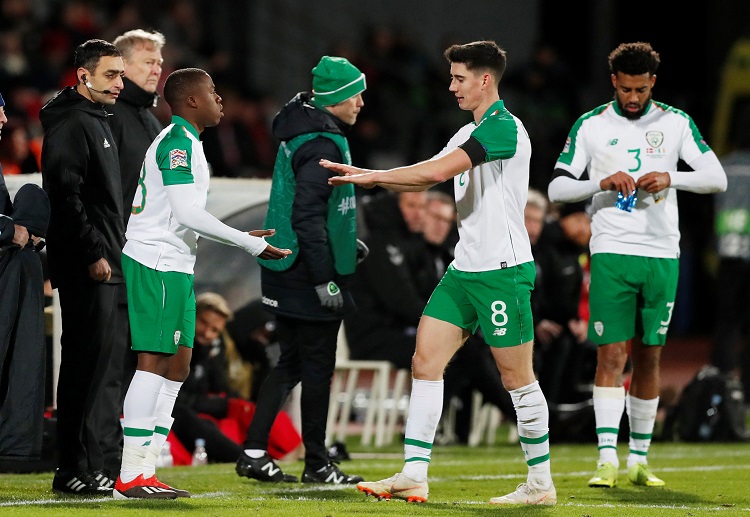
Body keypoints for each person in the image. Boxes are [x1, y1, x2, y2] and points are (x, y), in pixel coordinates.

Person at [322, 40, 556, 506]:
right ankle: (413, 473)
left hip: (501, 272)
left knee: (517, 379)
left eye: (459, 78)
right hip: (465, 269)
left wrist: (372, 177)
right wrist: (374, 173)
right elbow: (428, 170)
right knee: (424, 362)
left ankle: (540, 483)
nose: (451, 86)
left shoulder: (504, 129)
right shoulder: (468, 131)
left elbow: (435, 174)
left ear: (485, 79)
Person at [547, 42, 727, 488]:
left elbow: (716, 178)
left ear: (652, 84)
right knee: (611, 355)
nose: (633, 97)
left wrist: (672, 176)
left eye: (641, 89)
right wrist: (599, 182)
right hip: (612, 250)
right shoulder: (590, 125)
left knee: (650, 357)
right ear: (613, 82)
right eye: (626, 88)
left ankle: (639, 461)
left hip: (662, 253)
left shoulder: (674, 121)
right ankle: (606, 459)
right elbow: (555, 190)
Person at [113, 67, 291, 500]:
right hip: (154, 260)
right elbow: (187, 214)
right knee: (152, 361)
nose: (220, 99)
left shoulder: (189, 143)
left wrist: (242, 238)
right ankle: (129, 474)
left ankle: (150, 465)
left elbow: (187, 216)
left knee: (179, 363)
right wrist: (246, 245)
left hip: (176, 263)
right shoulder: (177, 144)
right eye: (213, 92)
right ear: (191, 101)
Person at [235, 55, 367, 486]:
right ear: (335, 99)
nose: (361, 101)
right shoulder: (322, 144)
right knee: (315, 368)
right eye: (355, 94)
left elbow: (315, 212)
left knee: (289, 363)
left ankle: (254, 452)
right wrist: (324, 277)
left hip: (285, 262)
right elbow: (308, 216)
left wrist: (347, 242)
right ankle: (317, 463)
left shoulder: (302, 132)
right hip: (304, 271)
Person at [40, 39, 126, 496]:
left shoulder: (95, 119)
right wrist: (94, 253)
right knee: (80, 368)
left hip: (103, 261)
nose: (119, 82)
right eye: (110, 75)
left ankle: (88, 464)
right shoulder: (74, 122)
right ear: (84, 76)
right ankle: (69, 467)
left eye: (120, 75)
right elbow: (64, 195)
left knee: (94, 369)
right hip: (87, 265)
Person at [90, 28, 167, 485]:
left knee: (126, 365)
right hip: (116, 260)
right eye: (146, 62)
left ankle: (114, 460)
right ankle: (96, 462)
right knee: (108, 367)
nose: (156, 69)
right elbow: (105, 194)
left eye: (159, 62)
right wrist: (105, 250)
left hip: (139, 261)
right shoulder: (113, 117)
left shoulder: (149, 120)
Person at [170, 292, 301, 464]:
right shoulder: (175, 347)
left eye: (215, 330)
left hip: (198, 408)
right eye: (203, 323)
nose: (208, 333)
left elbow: (220, 386)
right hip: (175, 411)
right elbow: (176, 398)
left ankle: (292, 453)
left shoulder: (210, 352)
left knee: (247, 409)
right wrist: (221, 404)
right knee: (193, 417)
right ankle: (245, 458)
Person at [0, 92, 50, 469]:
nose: (4, 120)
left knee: (33, 195)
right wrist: (8, 231)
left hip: (15, 274)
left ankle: (16, 447)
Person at [344, 190, 428, 370]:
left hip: (397, 332)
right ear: (395, 207)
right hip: (373, 340)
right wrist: (441, 324)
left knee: (465, 349)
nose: (418, 213)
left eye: (422, 207)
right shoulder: (380, 245)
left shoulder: (409, 245)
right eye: (411, 205)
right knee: (452, 349)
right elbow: (401, 301)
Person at [710, 111, 750, 405]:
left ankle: (721, 388)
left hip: (728, 254)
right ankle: (746, 391)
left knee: (726, 322)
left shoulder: (723, 167)